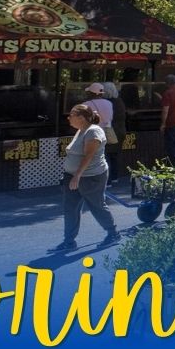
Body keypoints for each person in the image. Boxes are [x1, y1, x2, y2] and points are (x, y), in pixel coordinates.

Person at [54, 104, 120, 252]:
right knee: (70, 208)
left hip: (91, 177)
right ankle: (69, 241)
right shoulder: (81, 130)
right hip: (73, 176)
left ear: (81, 118)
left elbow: (88, 156)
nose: (68, 117)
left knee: (96, 206)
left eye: (71, 115)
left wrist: (77, 176)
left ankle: (113, 233)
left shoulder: (93, 131)